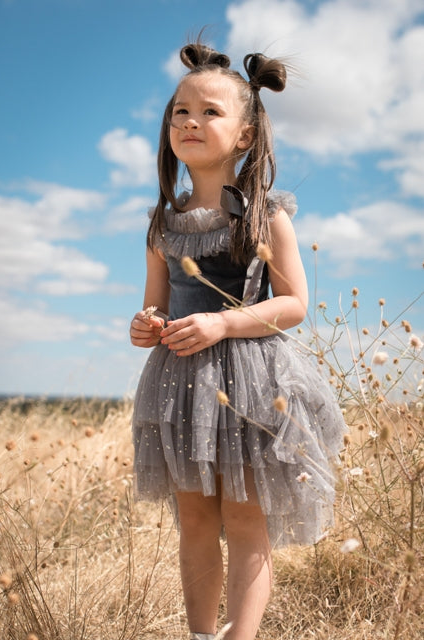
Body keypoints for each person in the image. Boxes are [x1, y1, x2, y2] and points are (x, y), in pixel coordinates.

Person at [130, 39, 346, 640]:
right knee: (195, 517)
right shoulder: (160, 223)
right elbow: (157, 305)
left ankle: (241, 635)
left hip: (251, 384)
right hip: (180, 383)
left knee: (246, 516)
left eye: (210, 112)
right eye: (180, 111)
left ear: (246, 137)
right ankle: (202, 634)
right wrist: (145, 326)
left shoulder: (264, 215)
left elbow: (294, 304)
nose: (191, 122)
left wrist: (224, 321)